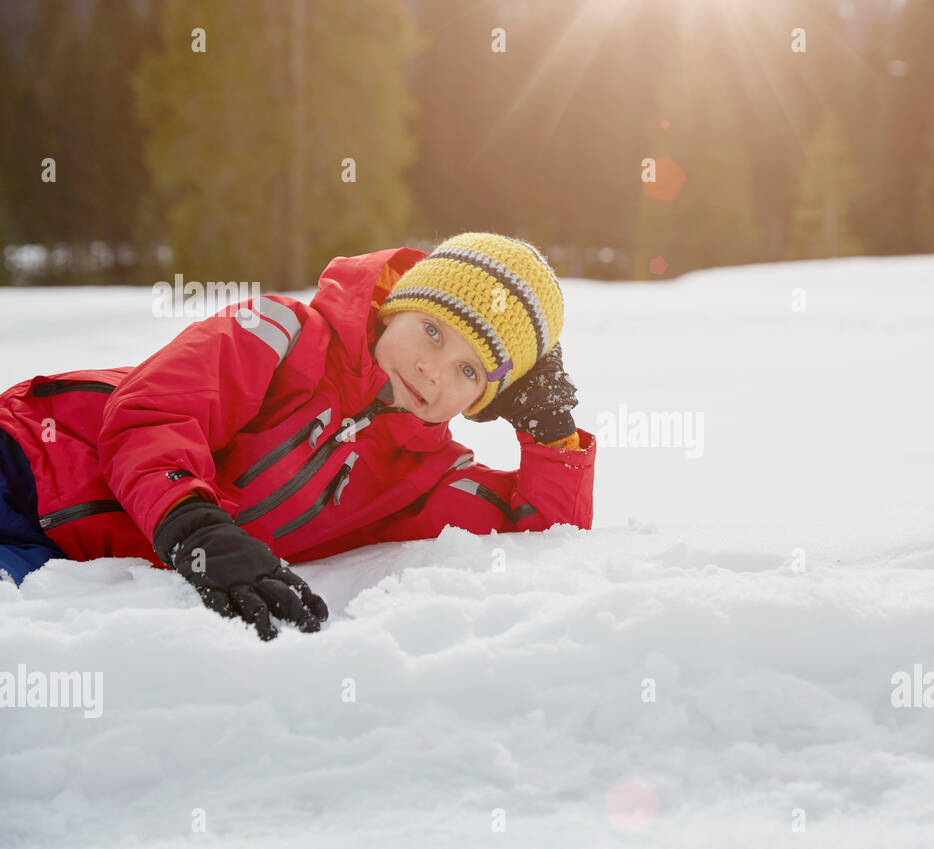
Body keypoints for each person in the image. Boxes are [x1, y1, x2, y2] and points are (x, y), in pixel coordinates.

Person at [0, 232, 596, 639]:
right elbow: (151, 417)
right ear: (396, 307)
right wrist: (196, 525)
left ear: (484, 400)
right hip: (26, 459)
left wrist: (551, 434)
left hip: (63, 553)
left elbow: (541, 533)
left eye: (469, 371)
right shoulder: (281, 333)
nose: (432, 371)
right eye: (433, 333)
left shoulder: (423, 479)